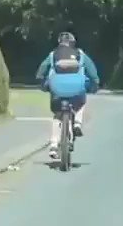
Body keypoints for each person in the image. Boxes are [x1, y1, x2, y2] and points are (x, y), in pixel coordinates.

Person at [35, 32, 100, 160]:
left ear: (59, 42)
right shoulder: (80, 54)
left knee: (57, 115)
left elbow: (42, 70)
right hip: (76, 87)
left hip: (57, 88)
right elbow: (92, 70)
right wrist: (95, 83)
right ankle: (77, 123)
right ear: (73, 43)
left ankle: (53, 144)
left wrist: (42, 83)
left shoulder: (53, 54)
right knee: (81, 101)